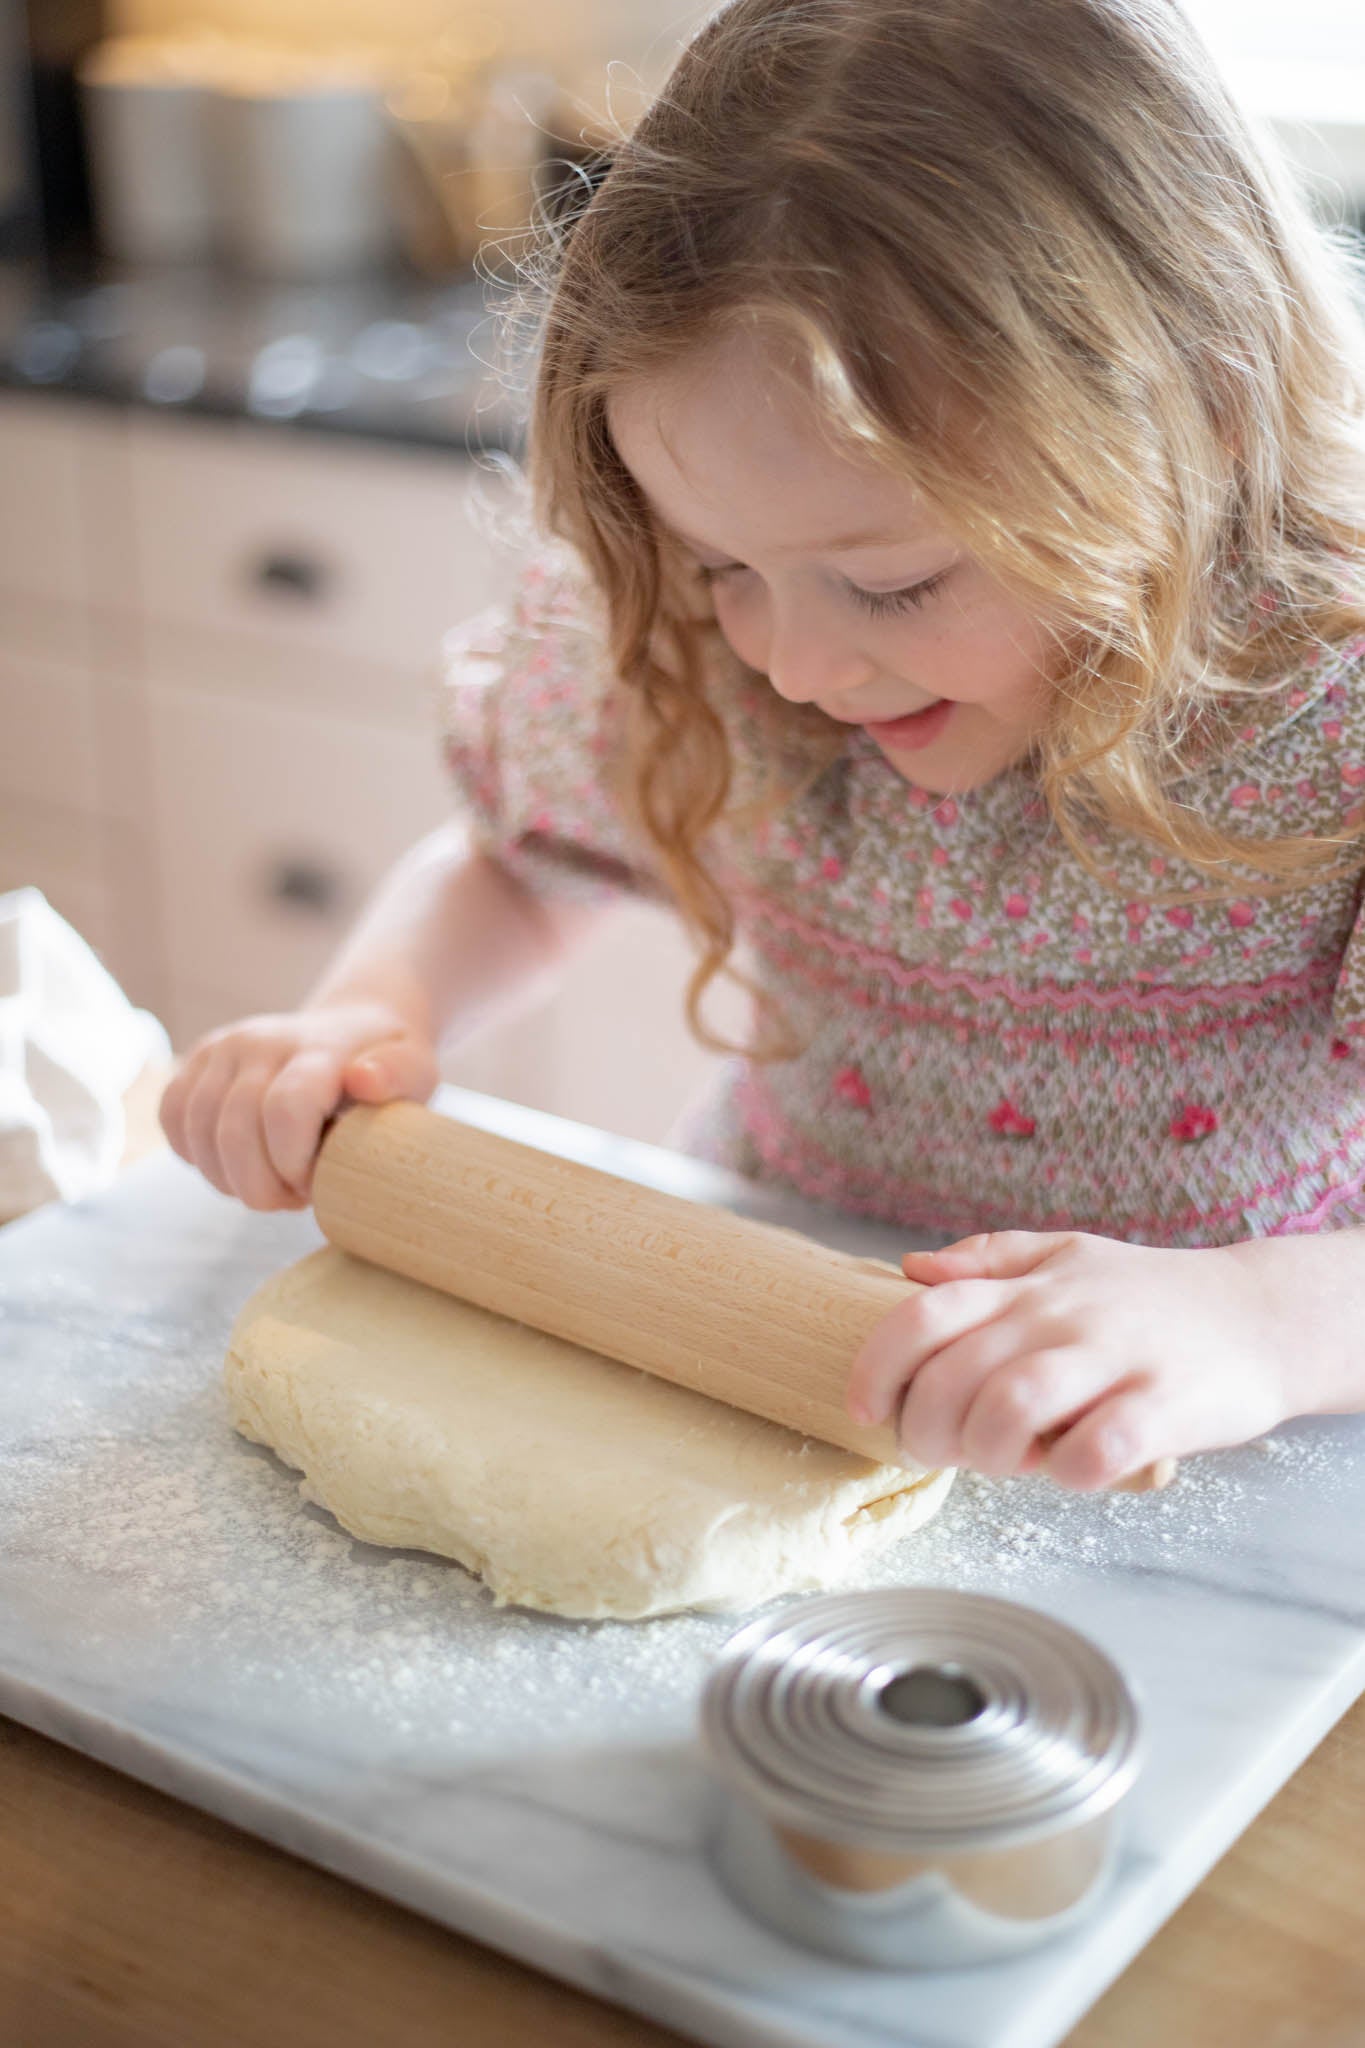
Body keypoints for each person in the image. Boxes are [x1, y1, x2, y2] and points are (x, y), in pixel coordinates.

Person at [161, 0, 1365, 1492]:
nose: (792, 664)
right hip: (778, 1366)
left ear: (1209, 417)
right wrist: (370, 1010)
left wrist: (1257, 1322)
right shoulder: (700, 644)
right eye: (725, 566)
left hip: (1219, 1441)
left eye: (893, 583)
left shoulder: (1331, 709)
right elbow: (521, 868)